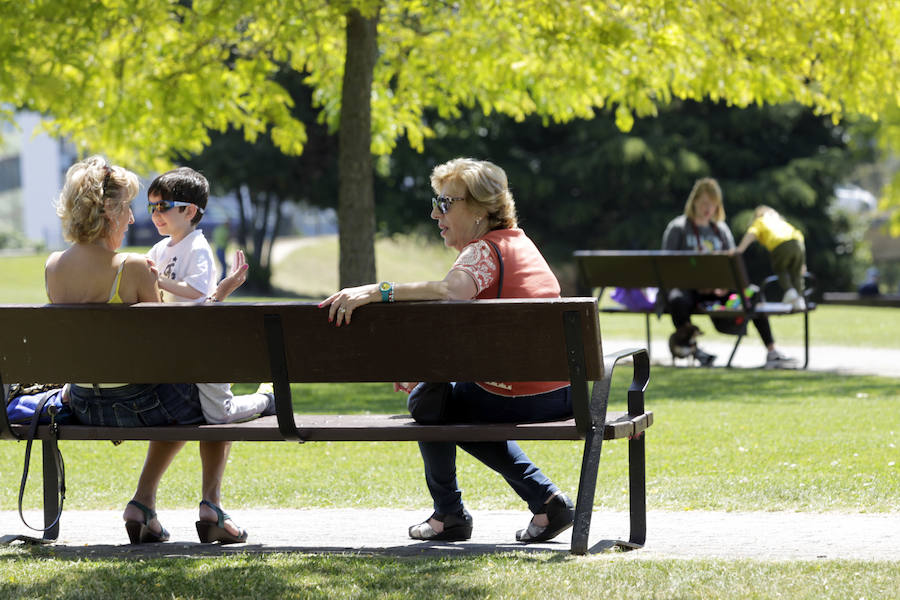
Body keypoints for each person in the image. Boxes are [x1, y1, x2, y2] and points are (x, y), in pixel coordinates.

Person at [320, 158, 576, 544]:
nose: (434, 212)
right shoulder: (521, 245)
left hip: (518, 394)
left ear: (480, 209)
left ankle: (449, 515)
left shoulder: (483, 253)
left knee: (432, 407)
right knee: (441, 399)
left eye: (445, 202)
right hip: (563, 393)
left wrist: (378, 291)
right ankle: (544, 501)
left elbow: (450, 291)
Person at [44, 155, 252, 545]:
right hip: (140, 404)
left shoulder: (53, 266)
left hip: (85, 404)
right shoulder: (134, 267)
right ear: (108, 211)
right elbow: (167, 353)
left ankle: (144, 504)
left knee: (177, 395)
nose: (134, 219)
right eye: (126, 209)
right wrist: (219, 296)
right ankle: (211, 506)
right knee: (205, 397)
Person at [146, 167, 275, 424]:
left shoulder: (197, 247)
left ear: (190, 211)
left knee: (220, 413)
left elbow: (196, 291)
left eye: (163, 206)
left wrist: (158, 280)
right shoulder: (160, 248)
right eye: (152, 207)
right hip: (180, 346)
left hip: (205, 346)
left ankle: (267, 398)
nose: (155, 214)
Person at [661, 177, 797, 369]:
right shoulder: (679, 228)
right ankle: (692, 348)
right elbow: (666, 265)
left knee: (754, 293)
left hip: (718, 290)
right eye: (705, 203)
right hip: (688, 290)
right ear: (695, 202)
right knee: (676, 298)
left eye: (714, 205)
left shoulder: (721, 230)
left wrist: (724, 286)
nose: (709, 209)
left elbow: (733, 264)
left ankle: (772, 351)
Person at [734, 205, 807, 310]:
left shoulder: (760, 221)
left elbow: (751, 233)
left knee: (780, 269)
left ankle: (790, 291)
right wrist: (803, 263)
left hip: (779, 244)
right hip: (798, 243)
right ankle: (800, 299)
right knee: (796, 272)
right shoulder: (781, 222)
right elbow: (799, 236)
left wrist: (739, 250)